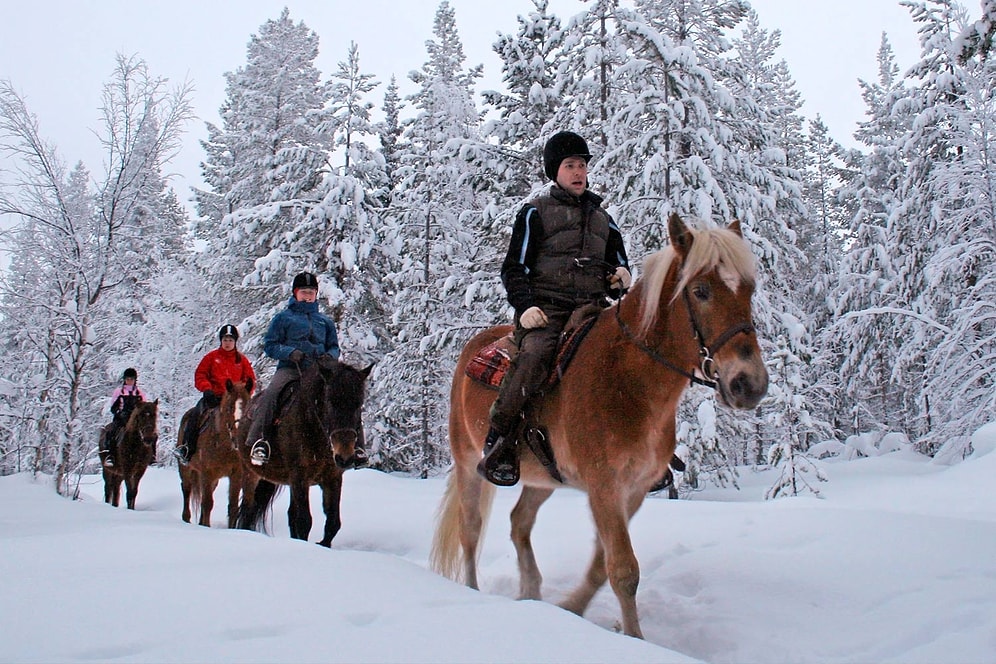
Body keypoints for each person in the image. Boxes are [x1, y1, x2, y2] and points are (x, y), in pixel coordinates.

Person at [477, 131, 631, 486]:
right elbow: (514, 268)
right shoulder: (535, 213)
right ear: (555, 171)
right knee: (534, 357)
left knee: (631, 353)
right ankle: (501, 439)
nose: (579, 172)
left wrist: (621, 275)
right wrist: (526, 306)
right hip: (547, 311)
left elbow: (620, 263)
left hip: (593, 310)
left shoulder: (604, 219)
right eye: (570, 165)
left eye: (583, 165)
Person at [244, 271, 367, 467]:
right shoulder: (283, 318)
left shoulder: (324, 321)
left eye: (311, 292)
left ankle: (358, 446)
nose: (308, 295)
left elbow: (334, 346)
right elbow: (270, 345)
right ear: (295, 293)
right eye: (304, 292)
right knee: (271, 394)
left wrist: (330, 356)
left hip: (321, 371)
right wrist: (290, 352)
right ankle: (260, 440)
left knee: (347, 398)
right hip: (291, 369)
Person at [174, 324, 257, 465]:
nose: (228, 343)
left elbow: (250, 380)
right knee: (195, 416)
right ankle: (187, 448)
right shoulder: (211, 358)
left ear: (235, 342)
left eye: (231, 340)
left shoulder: (242, 360)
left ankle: (254, 450)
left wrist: (244, 393)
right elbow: (200, 374)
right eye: (225, 339)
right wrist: (207, 389)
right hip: (214, 398)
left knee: (252, 419)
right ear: (221, 341)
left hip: (235, 400)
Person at [101, 367, 147, 468]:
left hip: (135, 421)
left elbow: (144, 408)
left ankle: (150, 456)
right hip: (121, 419)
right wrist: (119, 413)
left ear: (135, 380)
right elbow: (113, 407)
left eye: (131, 379)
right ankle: (110, 455)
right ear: (125, 380)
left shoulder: (140, 393)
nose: (129, 381)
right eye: (128, 379)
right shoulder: (119, 392)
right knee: (112, 432)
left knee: (149, 432)